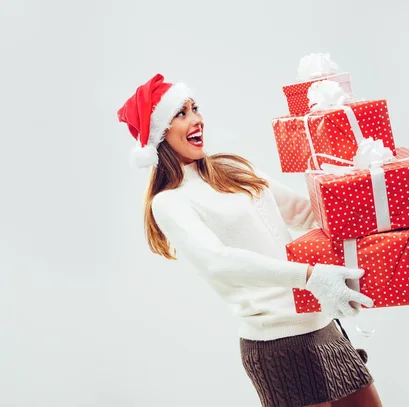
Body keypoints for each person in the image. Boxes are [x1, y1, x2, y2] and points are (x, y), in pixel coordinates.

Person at [117, 73, 383, 407]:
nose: (196, 119)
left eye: (194, 108)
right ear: (160, 132)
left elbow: (305, 213)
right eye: (180, 114)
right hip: (280, 344)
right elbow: (218, 262)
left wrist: (365, 190)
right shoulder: (170, 201)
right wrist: (310, 276)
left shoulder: (231, 168)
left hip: (322, 324)